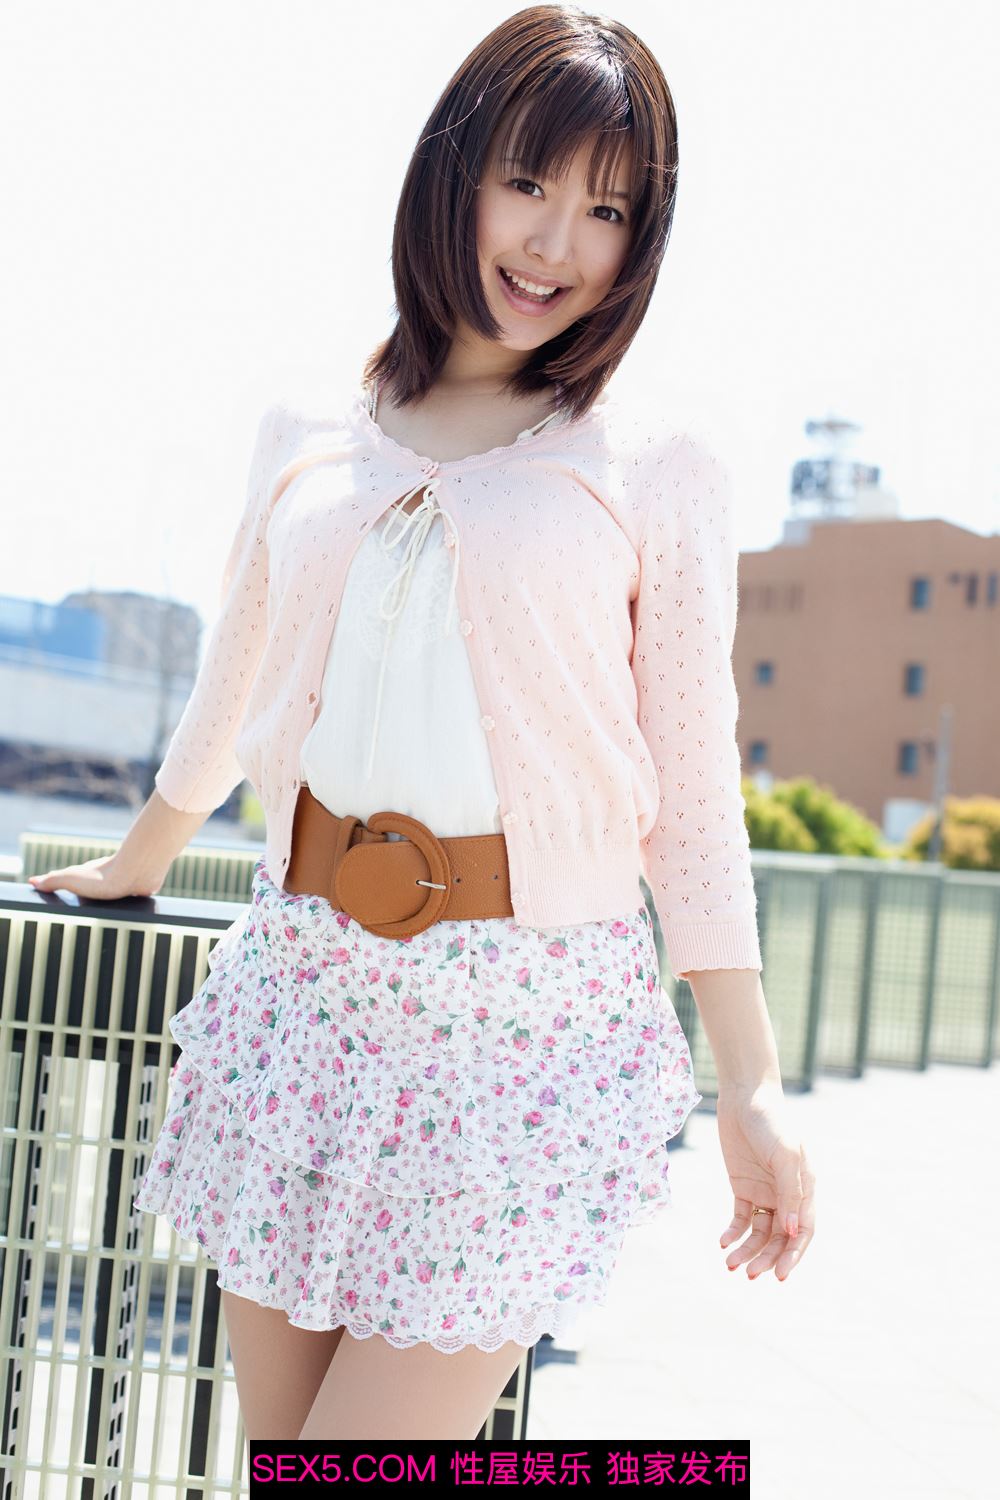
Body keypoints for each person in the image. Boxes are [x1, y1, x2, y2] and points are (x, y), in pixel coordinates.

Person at [28, 2, 815, 1444]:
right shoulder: (309, 431)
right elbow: (238, 670)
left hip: (519, 1032)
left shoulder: (653, 461)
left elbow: (696, 789)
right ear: (454, 174)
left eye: (606, 211)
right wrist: (145, 856)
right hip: (303, 997)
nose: (555, 244)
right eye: (527, 182)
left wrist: (751, 1085)